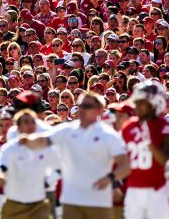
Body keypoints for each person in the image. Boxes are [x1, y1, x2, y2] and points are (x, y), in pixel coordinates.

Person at [21, 92, 130, 219]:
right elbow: (42, 140)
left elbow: (125, 165)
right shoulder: (67, 130)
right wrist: (22, 141)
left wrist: (110, 178)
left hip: (98, 201)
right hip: (71, 201)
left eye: (88, 106)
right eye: (81, 105)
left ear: (99, 110)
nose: (83, 109)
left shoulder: (109, 135)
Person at [0, 109, 61, 219]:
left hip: (38, 205)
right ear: (18, 127)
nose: (30, 125)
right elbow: (1, 166)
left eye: (33, 122)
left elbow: (59, 168)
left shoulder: (46, 149)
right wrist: (0, 176)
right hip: (14, 204)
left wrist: (48, 182)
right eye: (26, 122)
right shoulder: (9, 148)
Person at [122, 80, 169, 219]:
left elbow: (163, 159)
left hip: (156, 190)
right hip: (133, 190)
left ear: (155, 103)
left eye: (141, 102)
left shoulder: (163, 126)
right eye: (136, 102)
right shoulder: (129, 126)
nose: (137, 106)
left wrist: (148, 142)